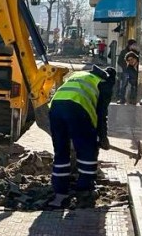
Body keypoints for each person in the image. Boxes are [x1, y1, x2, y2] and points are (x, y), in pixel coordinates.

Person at [46, 65, 116, 208]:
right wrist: (102, 137)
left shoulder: (80, 75)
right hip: (78, 109)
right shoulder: (104, 83)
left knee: (61, 152)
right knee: (87, 150)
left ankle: (60, 192)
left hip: (55, 109)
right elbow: (102, 114)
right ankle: (84, 191)